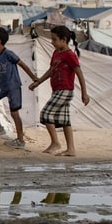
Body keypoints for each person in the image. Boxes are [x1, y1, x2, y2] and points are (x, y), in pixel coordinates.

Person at [29, 25, 90, 156]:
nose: (52, 42)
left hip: (65, 90)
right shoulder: (56, 53)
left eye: (54, 39)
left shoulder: (69, 55)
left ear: (64, 40)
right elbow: (51, 71)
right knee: (64, 120)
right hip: (57, 90)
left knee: (45, 114)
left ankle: (55, 142)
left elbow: (79, 73)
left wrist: (84, 93)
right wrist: (38, 81)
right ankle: (71, 149)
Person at [0, 27, 38, 149]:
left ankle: (20, 140)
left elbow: (22, 64)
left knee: (14, 114)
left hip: (13, 87)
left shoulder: (8, 54)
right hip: (2, 86)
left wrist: (34, 78)